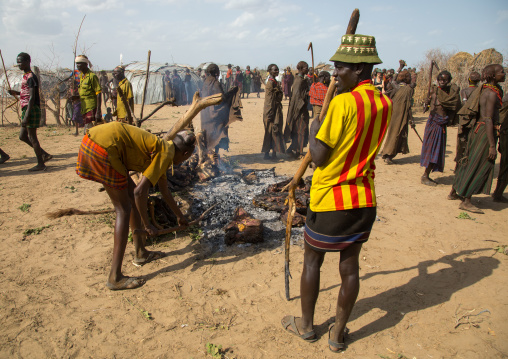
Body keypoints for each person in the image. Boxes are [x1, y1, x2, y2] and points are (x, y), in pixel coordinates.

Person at [281, 33, 392, 353]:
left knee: (312, 263)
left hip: (331, 199)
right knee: (350, 268)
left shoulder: (343, 103)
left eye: (340, 68)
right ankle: (338, 334)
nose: (335, 74)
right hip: (363, 200)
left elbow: (319, 157)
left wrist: (315, 131)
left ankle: (305, 326)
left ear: (359, 69)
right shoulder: (385, 102)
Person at [76, 122, 195, 290]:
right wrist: (148, 226)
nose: (185, 160)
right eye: (187, 157)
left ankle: (141, 253)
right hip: (104, 148)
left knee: (130, 200)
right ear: (186, 153)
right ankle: (115, 277)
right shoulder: (166, 154)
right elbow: (140, 192)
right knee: (123, 210)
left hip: (95, 142)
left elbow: (165, 192)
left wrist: (180, 217)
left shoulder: (164, 148)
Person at [450, 64, 505, 213]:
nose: (504, 74)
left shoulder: (485, 90)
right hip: (485, 132)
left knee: (469, 161)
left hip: (479, 130)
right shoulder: (490, 93)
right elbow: (488, 118)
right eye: (501, 72)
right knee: (480, 164)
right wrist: (492, 146)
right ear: (493, 76)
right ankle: (466, 200)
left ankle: (455, 191)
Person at [7, 52, 52, 171]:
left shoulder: (31, 77)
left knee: (32, 137)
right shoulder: (26, 76)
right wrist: (15, 93)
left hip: (30, 109)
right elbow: (26, 93)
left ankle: (41, 163)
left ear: (28, 62)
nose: (19, 64)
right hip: (27, 108)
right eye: (18, 62)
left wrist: (27, 115)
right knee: (23, 136)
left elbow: (32, 97)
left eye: (21, 62)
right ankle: (44, 155)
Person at [420, 70, 460, 186]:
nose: (443, 81)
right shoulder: (433, 91)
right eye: (440, 79)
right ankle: (425, 175)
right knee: (432, 150)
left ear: (449, 81)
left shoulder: (450, 94)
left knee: (437, 151)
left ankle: (427, 175)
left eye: (445, 79)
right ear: (437, 80)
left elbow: (455, 103)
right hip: (434, 123)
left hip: (441, 124)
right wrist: (426, 102)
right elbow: (425, 109)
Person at [199, 64, 243, 154]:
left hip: (205, 112)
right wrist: (231, 93)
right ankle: (216, 153)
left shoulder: (205, 82)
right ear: (216, 72)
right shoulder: (215, 83)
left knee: (207, 132)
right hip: (214, 113)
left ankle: (208, 152)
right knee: (218, 131)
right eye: (218, 71)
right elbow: (222, 98)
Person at [380, 69, 414, 164]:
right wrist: (412, 119)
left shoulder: (396, 86)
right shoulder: (407, 89)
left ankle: (387, 153)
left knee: (393, 133)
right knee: (396, 133)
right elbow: (408, 106)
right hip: (400, 114)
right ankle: (388, 155)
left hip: (394, 112)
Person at [284, 61, 310, 158]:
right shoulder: (299, 81)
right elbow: (297, 97)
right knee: (300, 131)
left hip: (302, 109)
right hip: (299, 110)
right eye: (306, 67)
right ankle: (297, 152)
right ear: (301, 69)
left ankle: (295, 150)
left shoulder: (302, 80)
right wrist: (307, 94)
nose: (307, 69)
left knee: (301, 130)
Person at [261, 64, 286, 160]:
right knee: (271, 132)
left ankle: (273, 153)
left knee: (275, 131)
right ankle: (268, 154)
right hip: (271, 111)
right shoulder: (270, 83)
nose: (277, 71)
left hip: (275, 110)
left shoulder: (275, 82)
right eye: (275, 70)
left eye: (277, 70)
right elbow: (269, 100)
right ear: (270, 71)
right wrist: (271, 114)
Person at [75, 55, 102, 132]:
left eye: (79, 63)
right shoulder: (81, 76)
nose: (78, 66)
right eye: (77, 64)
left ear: (85, 64)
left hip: (91, 107)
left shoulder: (92, 76)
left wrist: (98, 111)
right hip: (84, 107)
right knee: (87, 130)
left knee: (89, 131)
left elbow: (99, 93)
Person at [492, 93, 508, 202]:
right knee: (506, 165)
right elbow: (502, 114)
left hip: (504, 133)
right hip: (506, 134)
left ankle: (498, 192)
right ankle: (498, 193)